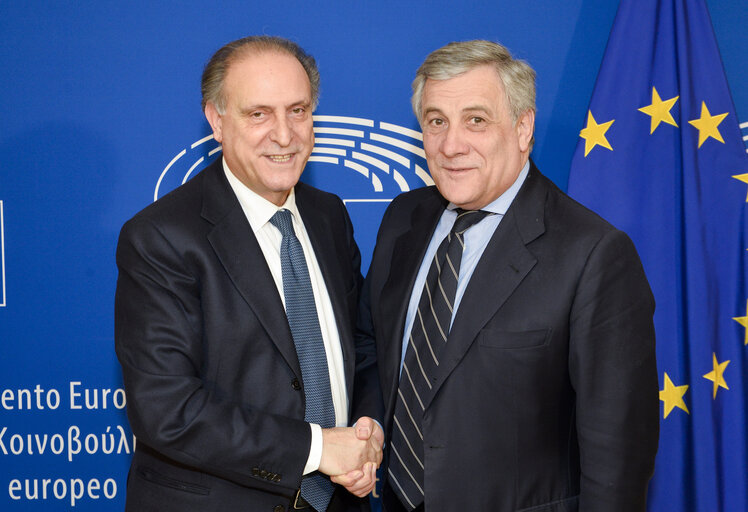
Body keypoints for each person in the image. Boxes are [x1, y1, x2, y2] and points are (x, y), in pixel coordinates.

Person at [356, 40, 659, 511]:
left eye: (476, 120)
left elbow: (616, 457)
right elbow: (371, 342)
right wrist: (370, 424)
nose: (451, 145)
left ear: (523, 128)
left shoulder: (592, 254)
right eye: (437, 121)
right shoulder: (404, 219)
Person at [115, 36, 382, 512]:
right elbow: (167, 408)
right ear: (217, 122)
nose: (284, 134)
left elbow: (359, 349)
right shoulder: (161, 238)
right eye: (258, 114)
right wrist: (319, 449)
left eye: (298, 111)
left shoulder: (328, 217)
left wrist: (366, 431)